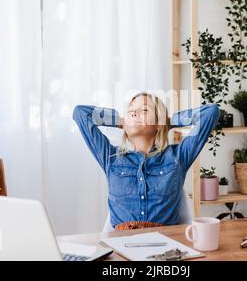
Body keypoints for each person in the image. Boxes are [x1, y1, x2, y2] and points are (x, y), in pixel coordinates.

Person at [72, 92, 220, 231]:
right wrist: (123, 121)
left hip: (166, 244)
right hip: (122, 244)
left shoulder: (177, 157)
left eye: (144, 109)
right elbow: (80, 113)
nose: (134, 112)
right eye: (130, 110)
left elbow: (210, 112)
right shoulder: (111, 157)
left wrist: (167, 122)